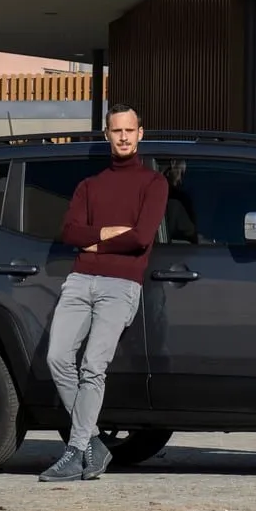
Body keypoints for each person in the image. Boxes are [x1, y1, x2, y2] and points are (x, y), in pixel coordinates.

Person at [38, 103, 169, 482]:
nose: (123, 137)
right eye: (116, 131)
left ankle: (76, 451)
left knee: (93, 367)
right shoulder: (89, 186)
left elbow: (142, 237)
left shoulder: (153, 184)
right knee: (58, 357)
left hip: (121, 285)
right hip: (79, 281)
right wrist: (109, 234)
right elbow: (70, 233)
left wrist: (95, 242)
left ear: (140, 133)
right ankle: (93, 442)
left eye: (130, 130)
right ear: (107, 135)